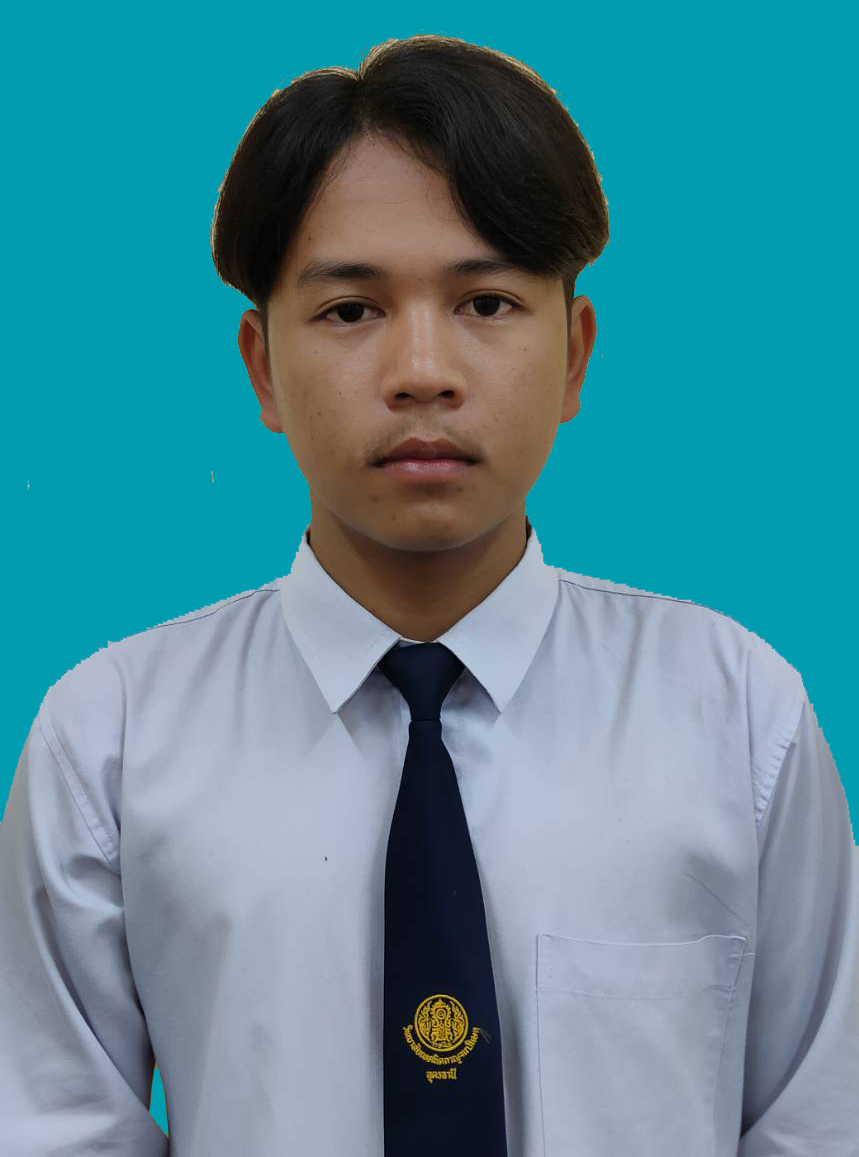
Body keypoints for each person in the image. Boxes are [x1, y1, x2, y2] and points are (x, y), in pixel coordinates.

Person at [1, 31, 856, 1157]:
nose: (421, 371)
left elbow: (823, 1122)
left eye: (486, 302)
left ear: (574, 355)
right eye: (350, 310)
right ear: (261, 365)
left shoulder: (735, 713)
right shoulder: (110, 740)